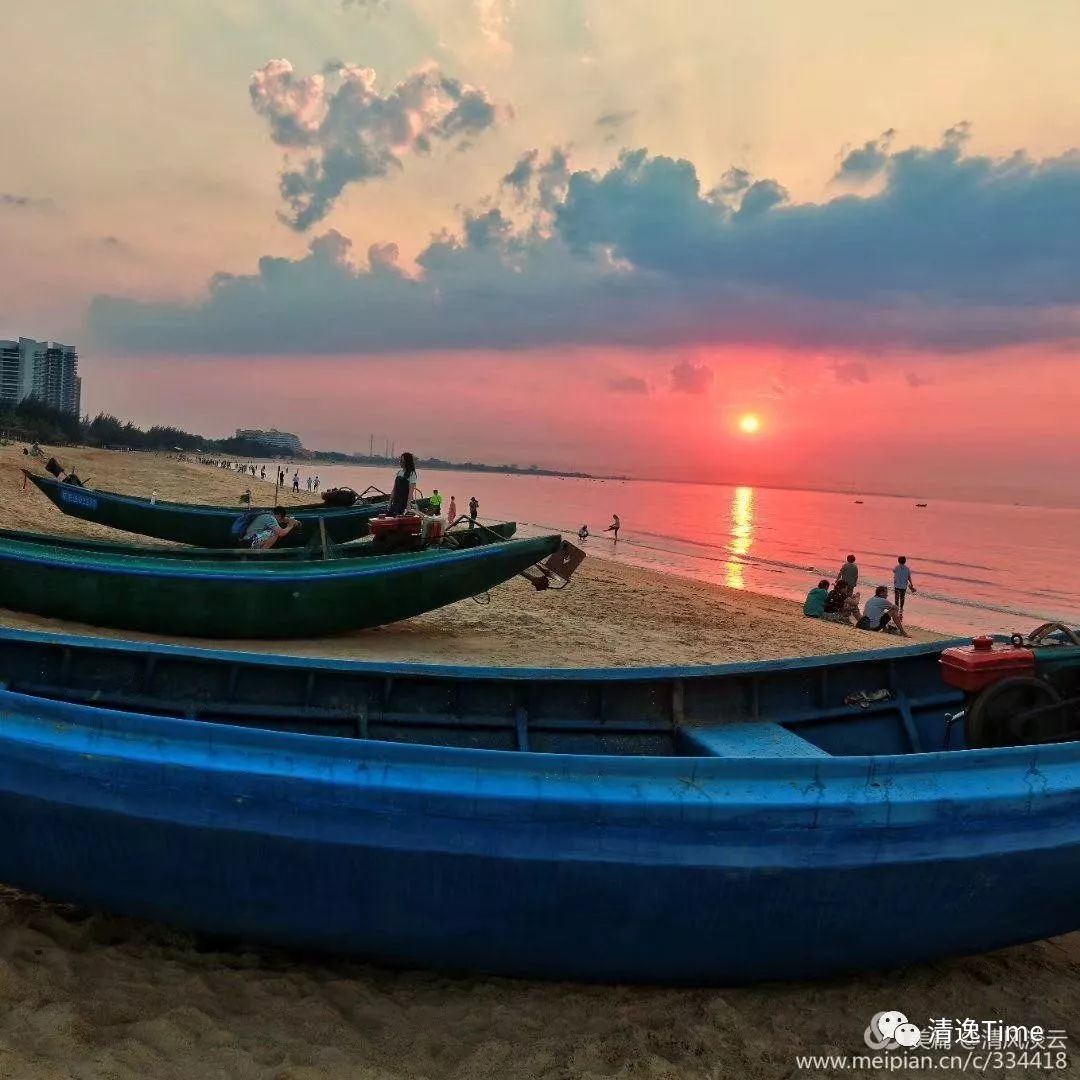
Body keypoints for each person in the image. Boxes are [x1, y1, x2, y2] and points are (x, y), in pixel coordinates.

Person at [388, 452, 418, 516]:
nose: (400, 462)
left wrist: (408, 505)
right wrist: (390, 502)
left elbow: (410, 492)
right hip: (396, 501)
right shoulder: (399, 472)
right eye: (400, 460)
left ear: (407, 462)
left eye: (402, 461)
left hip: (403, 502)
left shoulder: (412, 474)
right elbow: (394, 489)